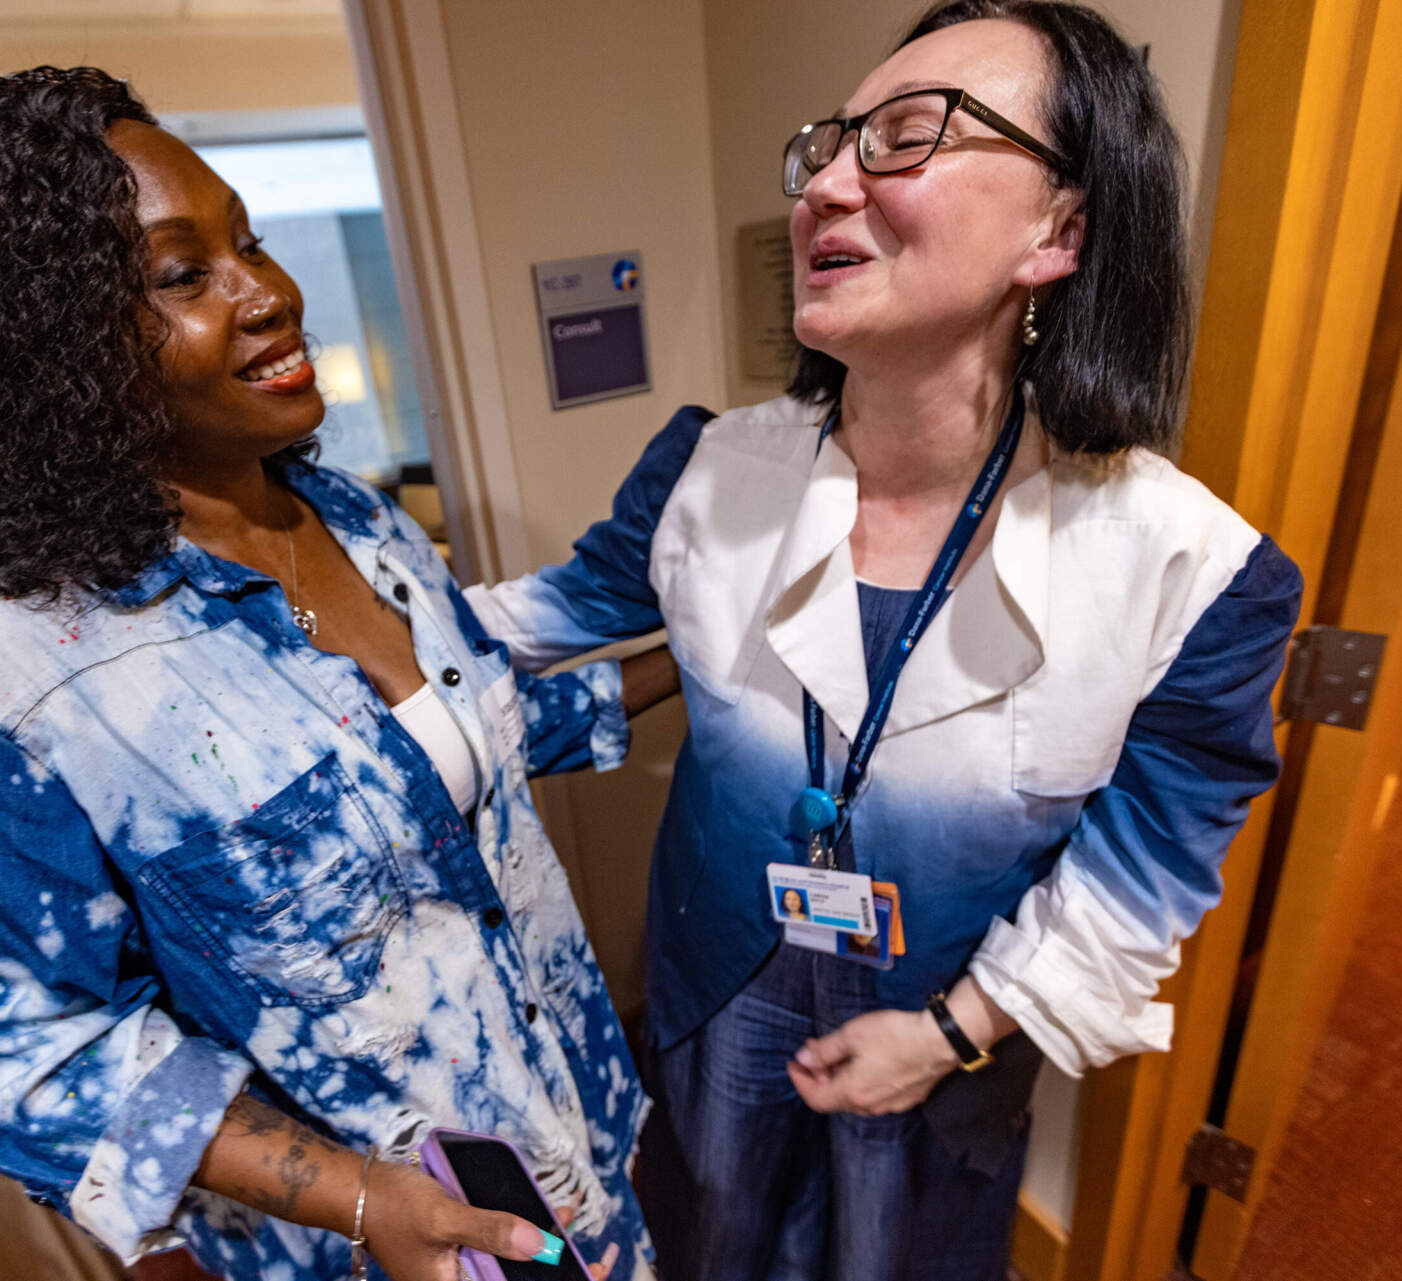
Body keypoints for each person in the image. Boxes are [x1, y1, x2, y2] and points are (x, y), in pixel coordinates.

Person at [464, 4, 1304, 1279]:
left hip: (949, 1025)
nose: (825, 185)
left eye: (908, 135)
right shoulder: (706, 471)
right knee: (711, 1237)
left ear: (1060, 231)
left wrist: (953, 1035)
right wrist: (284, 600)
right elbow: (516, 628)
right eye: (829, 143)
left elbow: (1144, 867)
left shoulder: (1194, 576)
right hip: (719, 980)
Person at [0, 67, 675, 1281]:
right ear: (45, 346)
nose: (270, 294)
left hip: (573, 1135)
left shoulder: (353, 520)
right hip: (383, 1246)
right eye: (184, 275)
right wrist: (358, 1199)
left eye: (251, 242)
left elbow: (455, 741)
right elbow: (11, 1058)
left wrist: (687, 660)